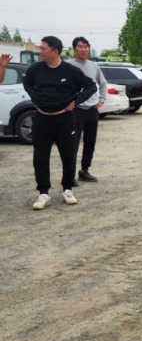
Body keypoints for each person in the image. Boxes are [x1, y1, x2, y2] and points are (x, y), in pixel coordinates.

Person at [23, 36, 97, 210]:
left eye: (43, 49)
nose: (40, 51)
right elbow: (27, 84)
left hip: (65, 120)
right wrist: (35, 98)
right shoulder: (35, 69)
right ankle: (43, 193)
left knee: (68, 156)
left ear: (55, 51)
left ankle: (67, 190)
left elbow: (91, 86)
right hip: (42, 120)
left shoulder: (70, 71)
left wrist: (76, 101)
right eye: (40, 48)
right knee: (40, 157)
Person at [66, 36, 107, 183]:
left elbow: (103, 83)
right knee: (73, 143)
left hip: (92, 110)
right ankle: (69, 175)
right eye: (80, 46)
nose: (83, 49)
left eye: (86, 46)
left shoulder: (94, 66)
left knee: (90, 142)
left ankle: (84, 171)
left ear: (89, 49)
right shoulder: (67, 65)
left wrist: (102, 99)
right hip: (75, 110)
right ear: (74, 49)